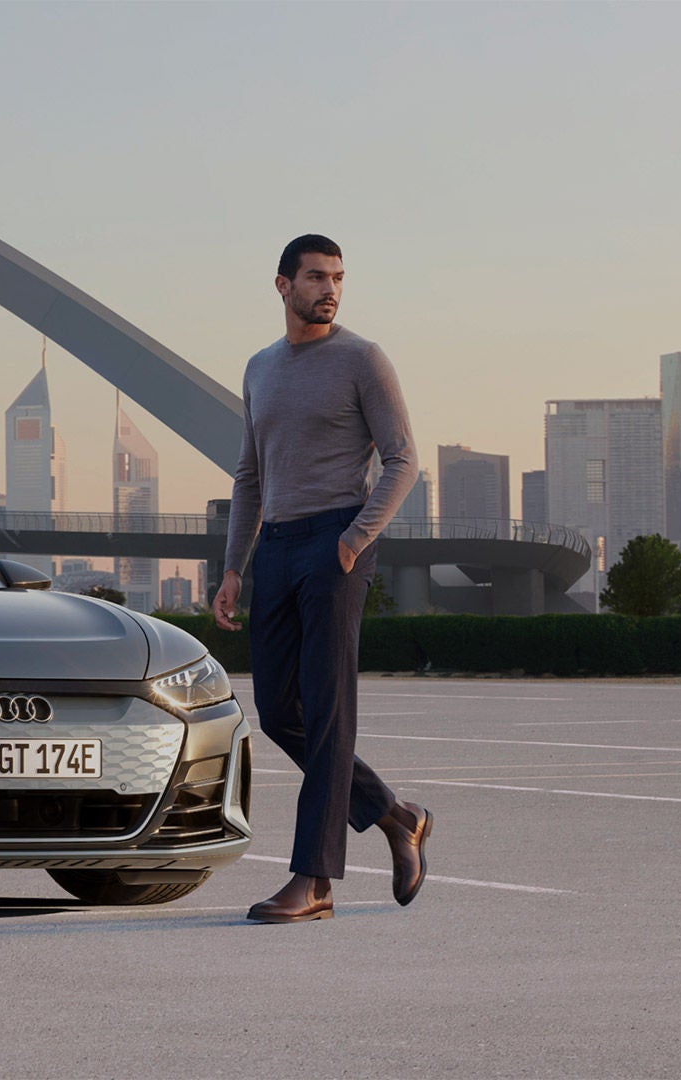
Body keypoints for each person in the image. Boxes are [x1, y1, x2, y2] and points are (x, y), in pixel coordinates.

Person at [211, 234, 435, 924]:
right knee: (281, 713)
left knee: (329, 711)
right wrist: (233, 567)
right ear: (283, 286)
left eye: (337, 277)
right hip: (275, 545)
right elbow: (251, 475)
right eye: (315, 277)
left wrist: (353, 540)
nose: (329, 289)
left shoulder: (362, 359)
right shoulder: (260, 368)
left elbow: (403, 461)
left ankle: (314, 880)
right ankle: (395, 816)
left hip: (333, 543)